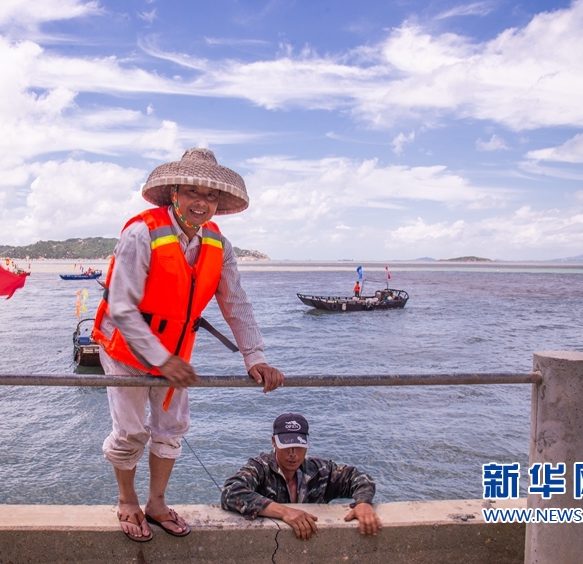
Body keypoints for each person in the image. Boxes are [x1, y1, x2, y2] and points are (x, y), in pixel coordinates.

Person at [92, 147, 285, 542]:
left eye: (211, 195)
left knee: (171, 428)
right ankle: (127, 500)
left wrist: (256, 357)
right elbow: (122, 306)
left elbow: (236, 303)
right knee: (130, 431)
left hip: (175, 356)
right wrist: (160, 359)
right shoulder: (140, 232)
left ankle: (157, 504)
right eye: (193, 192)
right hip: (126, 348)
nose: (202, 202)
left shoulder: (219, 245)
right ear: (175, 192)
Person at [221, 413, 382, 540]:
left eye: (298, 446)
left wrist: (363, 502)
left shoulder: (321, 471)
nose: (293, 454)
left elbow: (358, 478)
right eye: (287, 446)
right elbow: (230, 491)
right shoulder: (260, 468)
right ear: (273, 442)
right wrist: (285, 512)